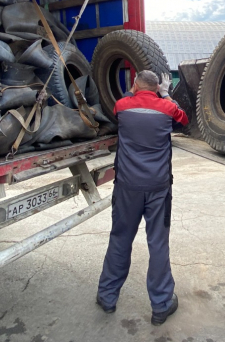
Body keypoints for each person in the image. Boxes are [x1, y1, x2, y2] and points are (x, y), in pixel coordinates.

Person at [96, 70, 188, 326]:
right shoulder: (168, 108)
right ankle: (161, 305)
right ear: (158, 87)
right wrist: (166, 94)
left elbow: (123, 103)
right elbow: (183, 121)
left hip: (127, 186)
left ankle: (107, 297)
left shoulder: (122, 106)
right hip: (158, 187)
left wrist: (134, 89)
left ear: (135, 84)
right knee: (157, 243)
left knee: (120, 238)